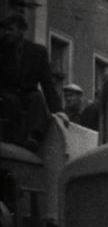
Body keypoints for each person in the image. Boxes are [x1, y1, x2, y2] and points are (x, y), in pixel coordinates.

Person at [0, 14, 64, 151]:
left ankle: (34, 137)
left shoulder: (37, 52)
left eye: (10, 29)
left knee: (37, 97)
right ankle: (14, 139)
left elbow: (47, 83)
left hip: (28, 94)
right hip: (6, 94)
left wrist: (58, 110)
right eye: (5, 30)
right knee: (11, 101)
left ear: (22, 30)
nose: (6, 33)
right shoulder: (2, 49)